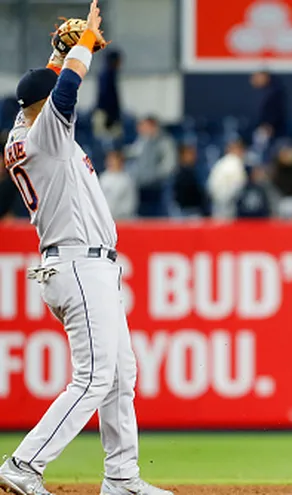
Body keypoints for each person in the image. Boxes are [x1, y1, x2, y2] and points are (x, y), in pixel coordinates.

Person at [0, 2, 173, 495]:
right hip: (78, 262)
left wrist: (59, 52)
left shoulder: (21, 130)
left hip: (75, 263)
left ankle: (121, 478)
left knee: (120, 373)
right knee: (95, 376)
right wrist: (82, 47)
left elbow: (47, 85)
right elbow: (67, 88)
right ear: (43, 106)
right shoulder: (47, 135)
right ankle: (24, 463)